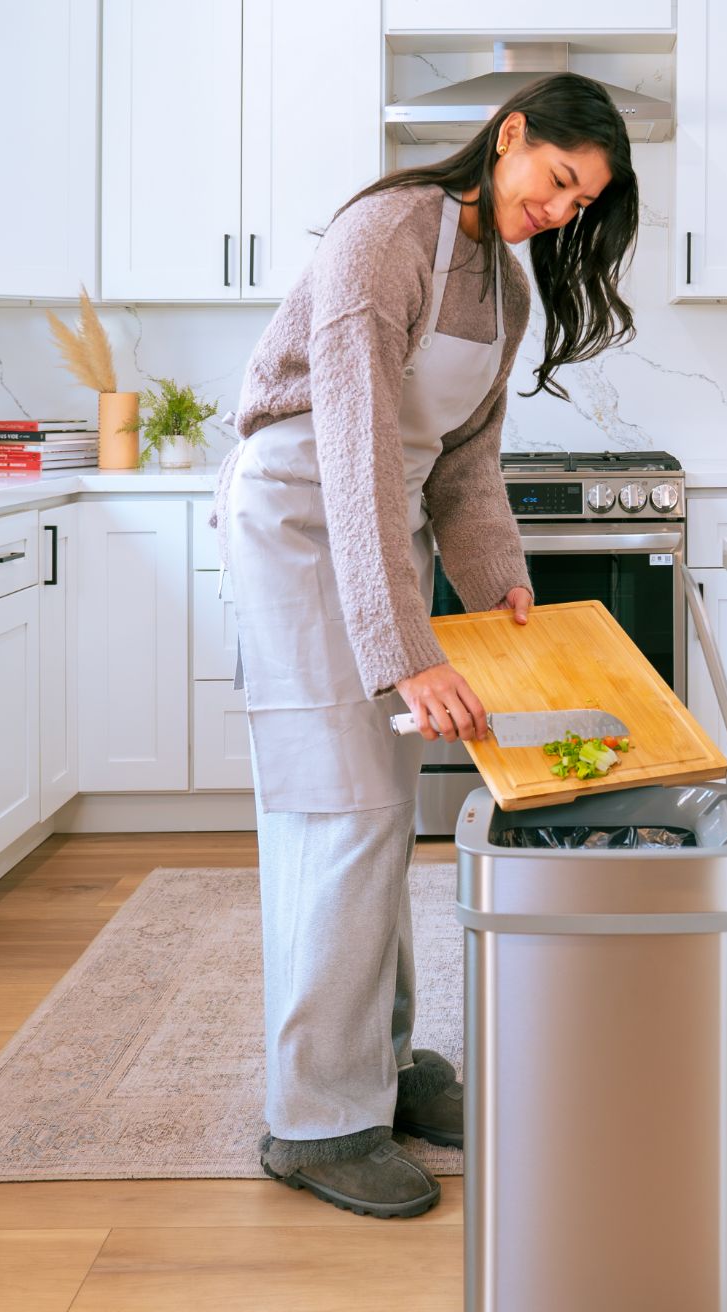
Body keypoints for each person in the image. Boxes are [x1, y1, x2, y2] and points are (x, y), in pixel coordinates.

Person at [210, 73, 640, 1218]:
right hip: (302, 517)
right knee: (337, 809)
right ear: (510, 135)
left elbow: (463, 465)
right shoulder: (384, 234)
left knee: (379, 809)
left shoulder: (506, 285)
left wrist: (501, 591)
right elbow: (353, 452)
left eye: (582, 202)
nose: (562, 211)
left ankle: (381, 1067)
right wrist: (409, 651)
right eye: (559, 180)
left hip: (372, 527)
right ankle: (315, 1119)